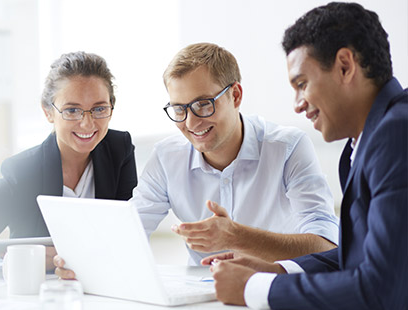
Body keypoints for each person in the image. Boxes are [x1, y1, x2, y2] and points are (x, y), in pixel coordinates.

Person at [54, 42, 339, 279]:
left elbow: (327, 247)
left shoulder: (287, 148)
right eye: (179, 108)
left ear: (236, 95)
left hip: (277, 293)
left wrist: (236, 237)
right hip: (204, 298)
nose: (191, 122)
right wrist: (79, 262)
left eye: (203, 104)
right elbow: (130, 231)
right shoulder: (167, 157)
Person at [208, 3, 407, 310]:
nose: (298, 105)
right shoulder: (363, 142)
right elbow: (359, 257)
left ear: (345, 66)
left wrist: (254, 288)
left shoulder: (396, 134)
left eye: (301, 83)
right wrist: (277, 269)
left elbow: (383, 289)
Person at [0, 51, 138, 273]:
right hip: (38, 292)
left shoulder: (118, 149)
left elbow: (129, 236)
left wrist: (70, 255)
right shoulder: (24, 172)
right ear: (48, 112)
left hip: (103, 286)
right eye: (72, 110)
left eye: (99, 109)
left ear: (111, 108)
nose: (87, 123)